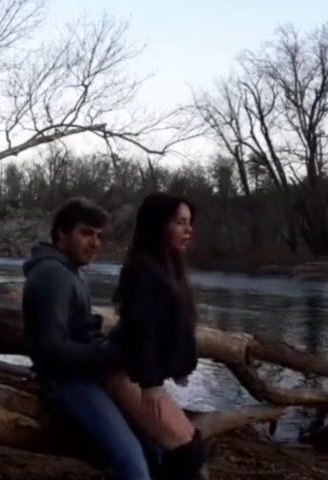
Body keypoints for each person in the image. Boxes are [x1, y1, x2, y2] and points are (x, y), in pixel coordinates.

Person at [22, 197, 158, 480]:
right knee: (132, 461)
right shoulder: (52, 274)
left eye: (98, 235)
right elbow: (50, 349)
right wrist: (111, 357)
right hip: (67, 384)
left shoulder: (69, 271)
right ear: (61, 232)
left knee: (154, 444)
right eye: (86, 233)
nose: (95, 243)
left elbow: (80, 332)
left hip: (87, 376)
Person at [105, 193, 207, 479]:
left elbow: (174, 325)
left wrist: (179, 366)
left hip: (141, 374)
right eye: (180, 222)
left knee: (188, 447)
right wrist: (151, 385)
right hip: (125, 372)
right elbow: (141, 329)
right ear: (159, 225)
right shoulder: (142, 269)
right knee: (185, 450)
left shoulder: (168, 267)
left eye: (189, 223)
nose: (188, 230)